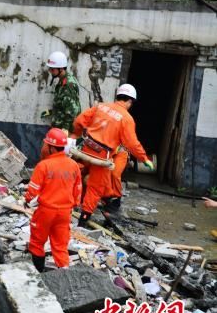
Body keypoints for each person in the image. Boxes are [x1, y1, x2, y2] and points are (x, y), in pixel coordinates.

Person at [71, 84, 153, 227]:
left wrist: (78, 134)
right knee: (95, 188)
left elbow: (79, 121)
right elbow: (132, 144)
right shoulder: (126, 118)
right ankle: (83, 219)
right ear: (130, 101)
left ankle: (69, 204)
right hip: (101, 156)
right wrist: (144, 158)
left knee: (77, 174)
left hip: (85, 149)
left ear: (117, 96)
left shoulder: (100, 106)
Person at [24, 128, 82, 271]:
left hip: (46, 211)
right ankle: (65, 274)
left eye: (45, 144)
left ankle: (39, 274)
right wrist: (74, 204)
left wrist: (27, 200)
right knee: (60, 246)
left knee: (37, 242)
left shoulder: (43, 165)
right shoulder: (73, 165)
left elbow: (33, 189)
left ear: (50, 147)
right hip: (64, 213)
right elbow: (78, 189)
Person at [41, 51, 81, 132]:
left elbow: (72, 110)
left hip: (64, 129)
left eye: (52, 69)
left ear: (61, 68)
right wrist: (52, 111)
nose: (50, 71)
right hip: (58, 125)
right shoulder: (62, 80)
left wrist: (65, 129)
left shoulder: (68, 85)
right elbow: (64, 104)